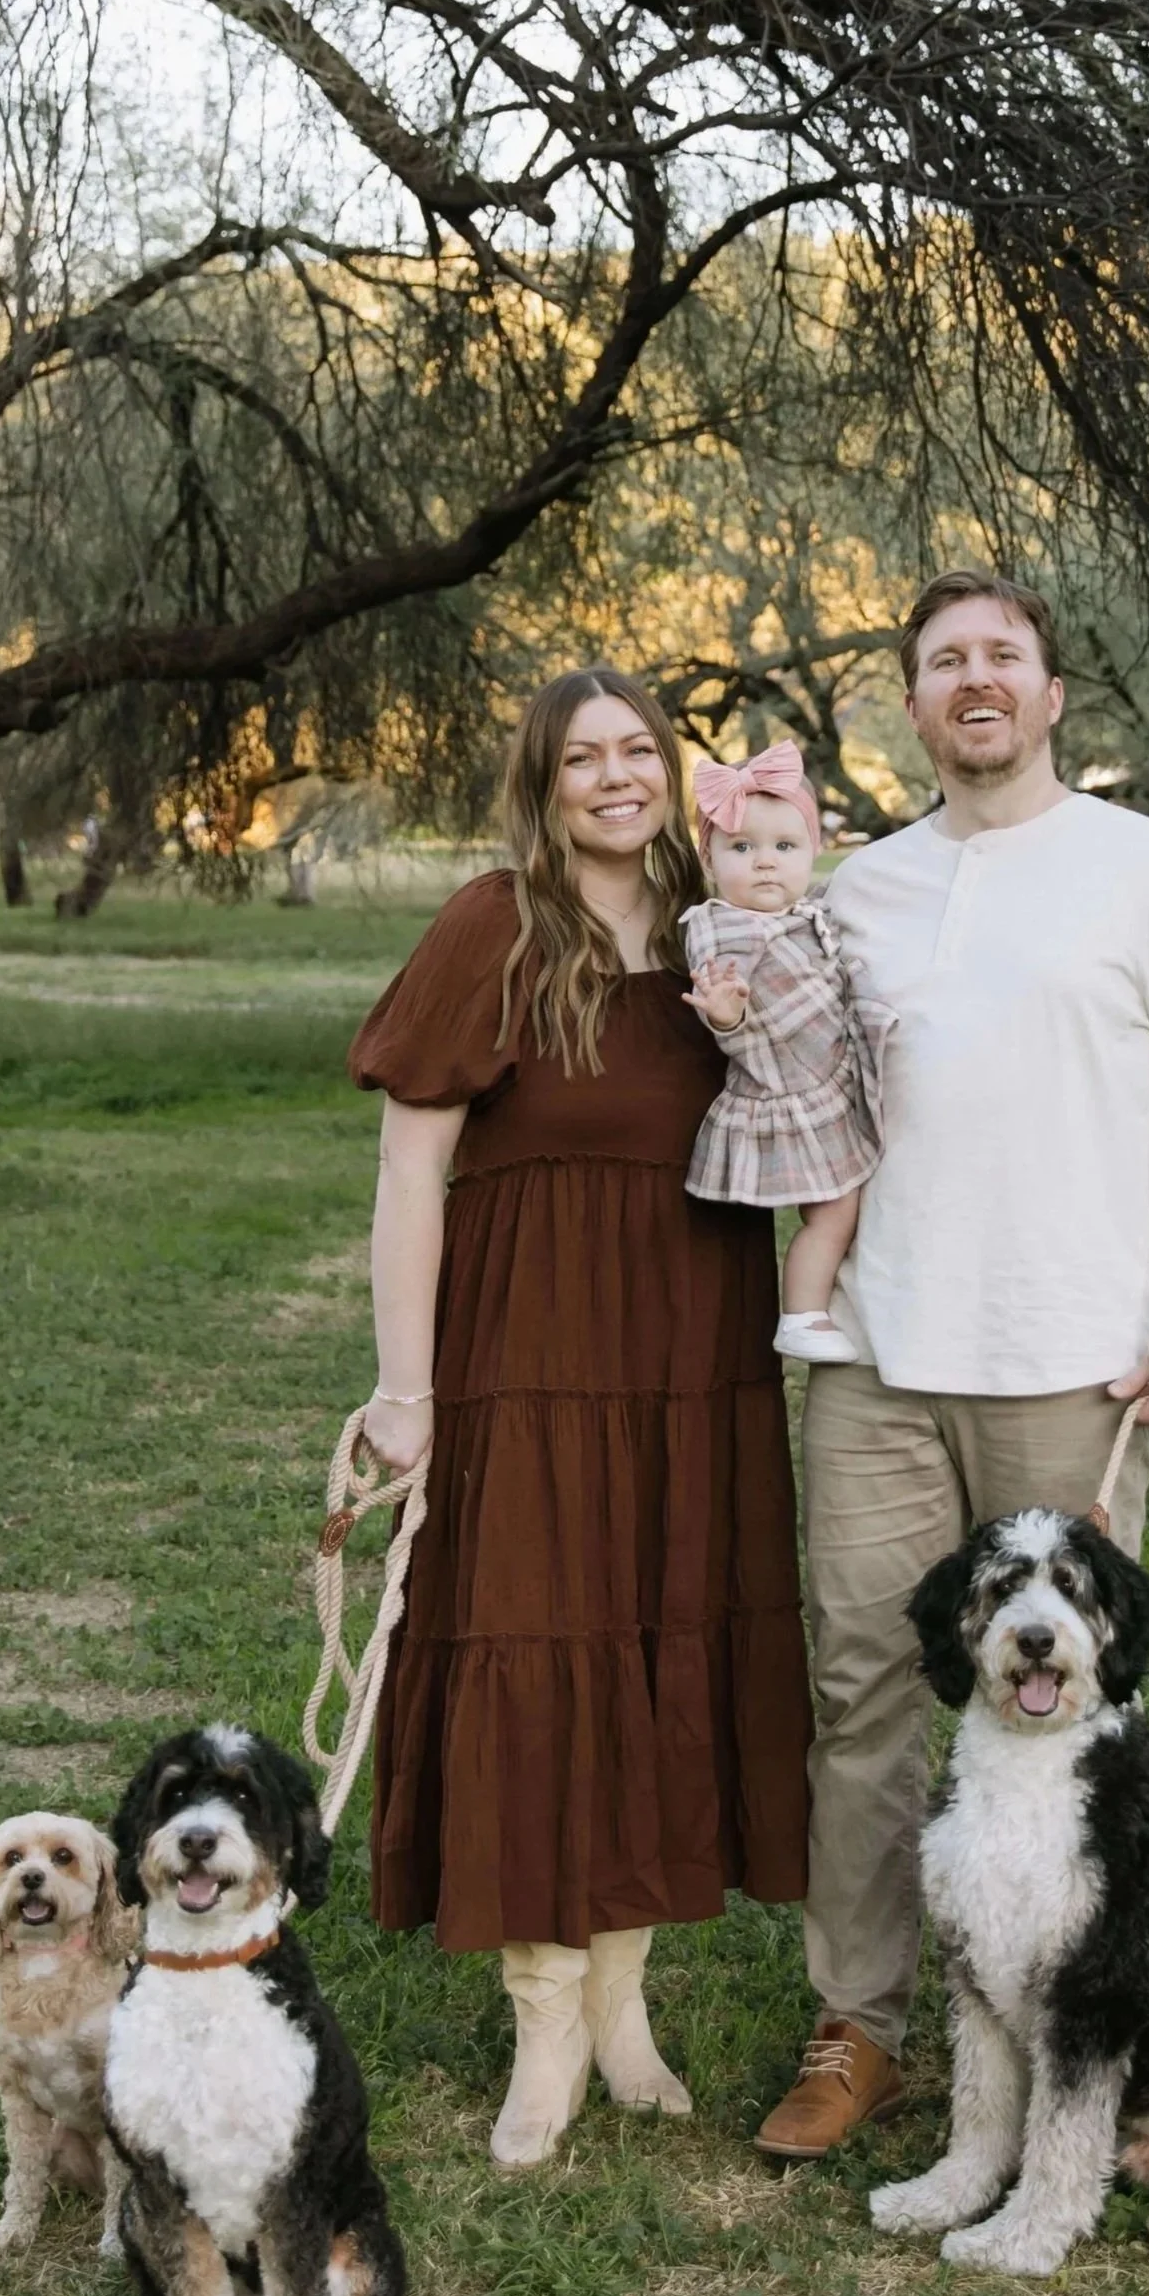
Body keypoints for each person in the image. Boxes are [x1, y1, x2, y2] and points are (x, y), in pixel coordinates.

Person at [754, 568, 1149, 2160]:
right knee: (860, 1695)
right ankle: (863, 2025)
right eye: (942, 661)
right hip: (881, 1362)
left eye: (1005, 654)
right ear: (909, 706)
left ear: (1054, 694)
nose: (974, 679)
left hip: (1080, 1370)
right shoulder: (856, 895)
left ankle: (1068, 2018)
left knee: (1063, 1709)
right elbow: (792, 1102)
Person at [349, 667, 812, 2169]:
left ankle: (625, 1998)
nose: (618, 777)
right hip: (532, 1352)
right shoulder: (497, 922)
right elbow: (411, 1174)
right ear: (544, 782)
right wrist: (404, 1390)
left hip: (692, 1346)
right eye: (585, 757)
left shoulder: (717, 917)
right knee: (541, 1644)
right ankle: (544, 2010)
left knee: (659, 1643)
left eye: (640, 751)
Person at [679, 738, 892, 1364]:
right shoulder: (723, 927)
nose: (764, 863)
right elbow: (726, 1003)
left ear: (813, 853)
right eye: (742, 848)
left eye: (784, 847)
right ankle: (801, 1315)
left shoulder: (803, 912)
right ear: (710, 859)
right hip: (792, 1095)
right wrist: (725, 1010)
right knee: (833, 1213)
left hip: (823, 1078)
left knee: (844, 1208)